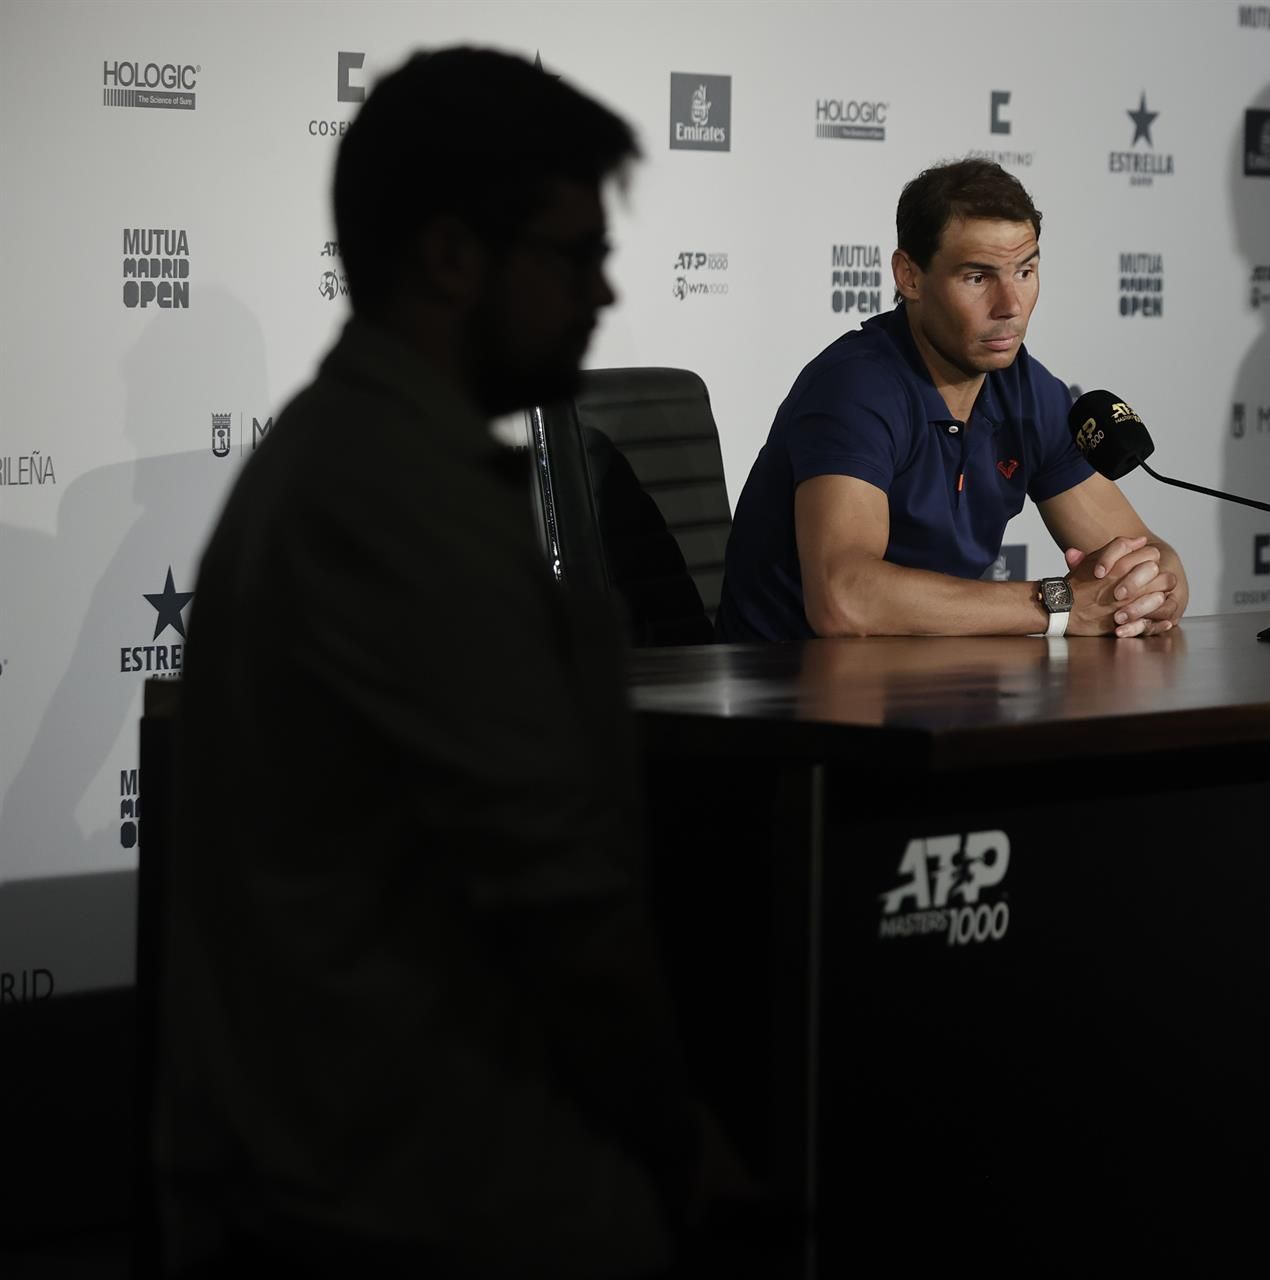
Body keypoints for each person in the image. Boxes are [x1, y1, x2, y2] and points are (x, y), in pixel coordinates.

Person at [160, 48, 726, 1278]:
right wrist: (684, 1152)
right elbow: (565, 912)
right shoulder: (401, 507)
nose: (607, 292)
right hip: (422, 1211)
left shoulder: (349, 461)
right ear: (453, 257)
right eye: (574, 257)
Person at [715, 159, 1189, 643]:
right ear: (910, 277)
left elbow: (1149, 553)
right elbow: (844, 600)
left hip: (936, 690)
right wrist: (1058, 604)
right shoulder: (856, 388)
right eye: (978, 278)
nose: (1010, 305)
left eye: (1025, 271)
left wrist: (1151, 592)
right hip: (791, 697)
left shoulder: (1026, 390)